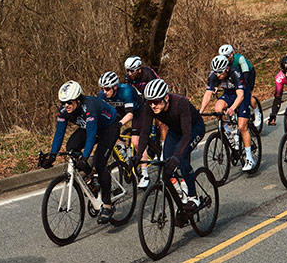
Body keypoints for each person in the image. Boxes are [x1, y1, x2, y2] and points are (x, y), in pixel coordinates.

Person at [39, 80, 120, 223]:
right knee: (71, 148)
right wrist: (52, 156)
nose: (66, 106)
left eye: (69, 102)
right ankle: (90, 180)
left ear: (77, 100)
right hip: (89, 127)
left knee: (99, 163)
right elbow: (59, 133)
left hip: (109, 127)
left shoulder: (89, 106)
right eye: (63, 102)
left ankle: (107, 205)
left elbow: (91, 134)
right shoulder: (64, 111)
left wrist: (85, 157)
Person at [131, 78, 206, 212]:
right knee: (166, 167)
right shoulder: (150, 108)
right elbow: (145, 132)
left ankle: (194, 197)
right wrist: (138, 155)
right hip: (175, 131)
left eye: (156, 101)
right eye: (150, 102)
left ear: (166, 97)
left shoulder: (180, 103)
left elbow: (187, 134)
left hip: (194, 129)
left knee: (181, 157)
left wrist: (177, 156)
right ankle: (181, 201)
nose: (153, 106)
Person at [199, 55, 255, 171]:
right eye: (216, 73)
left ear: (227, 69)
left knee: (241, 126)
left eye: (220, 72)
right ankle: (229, 135)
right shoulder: (214, 75)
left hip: (242, 95)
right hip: (229, 94)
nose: (218, 75)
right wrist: (200, 111)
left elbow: (240, 96)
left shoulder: (235, 73)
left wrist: (232, 108)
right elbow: (208, 94)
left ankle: (249, 158)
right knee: (218, 108)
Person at [97, 71, 148, 187]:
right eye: (102, 89)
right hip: (121, 109)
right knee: (108, 130)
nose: (104, 92)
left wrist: (117, 125)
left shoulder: (126, 90)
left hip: (138, 111)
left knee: (136, 141)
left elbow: (130, 115)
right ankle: (121, 146)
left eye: (107, 89)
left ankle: (145, 174)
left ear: (115, 87)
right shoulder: (102, 95)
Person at [218, 43, 259, 128]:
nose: (224, 59)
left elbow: (245, 73)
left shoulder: (239, 58)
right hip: (235, 76)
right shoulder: (223, 63)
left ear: (232, 54)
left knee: (247, 94)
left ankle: (256, 111)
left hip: (247, 73)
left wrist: (243, 86)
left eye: (226, 56)